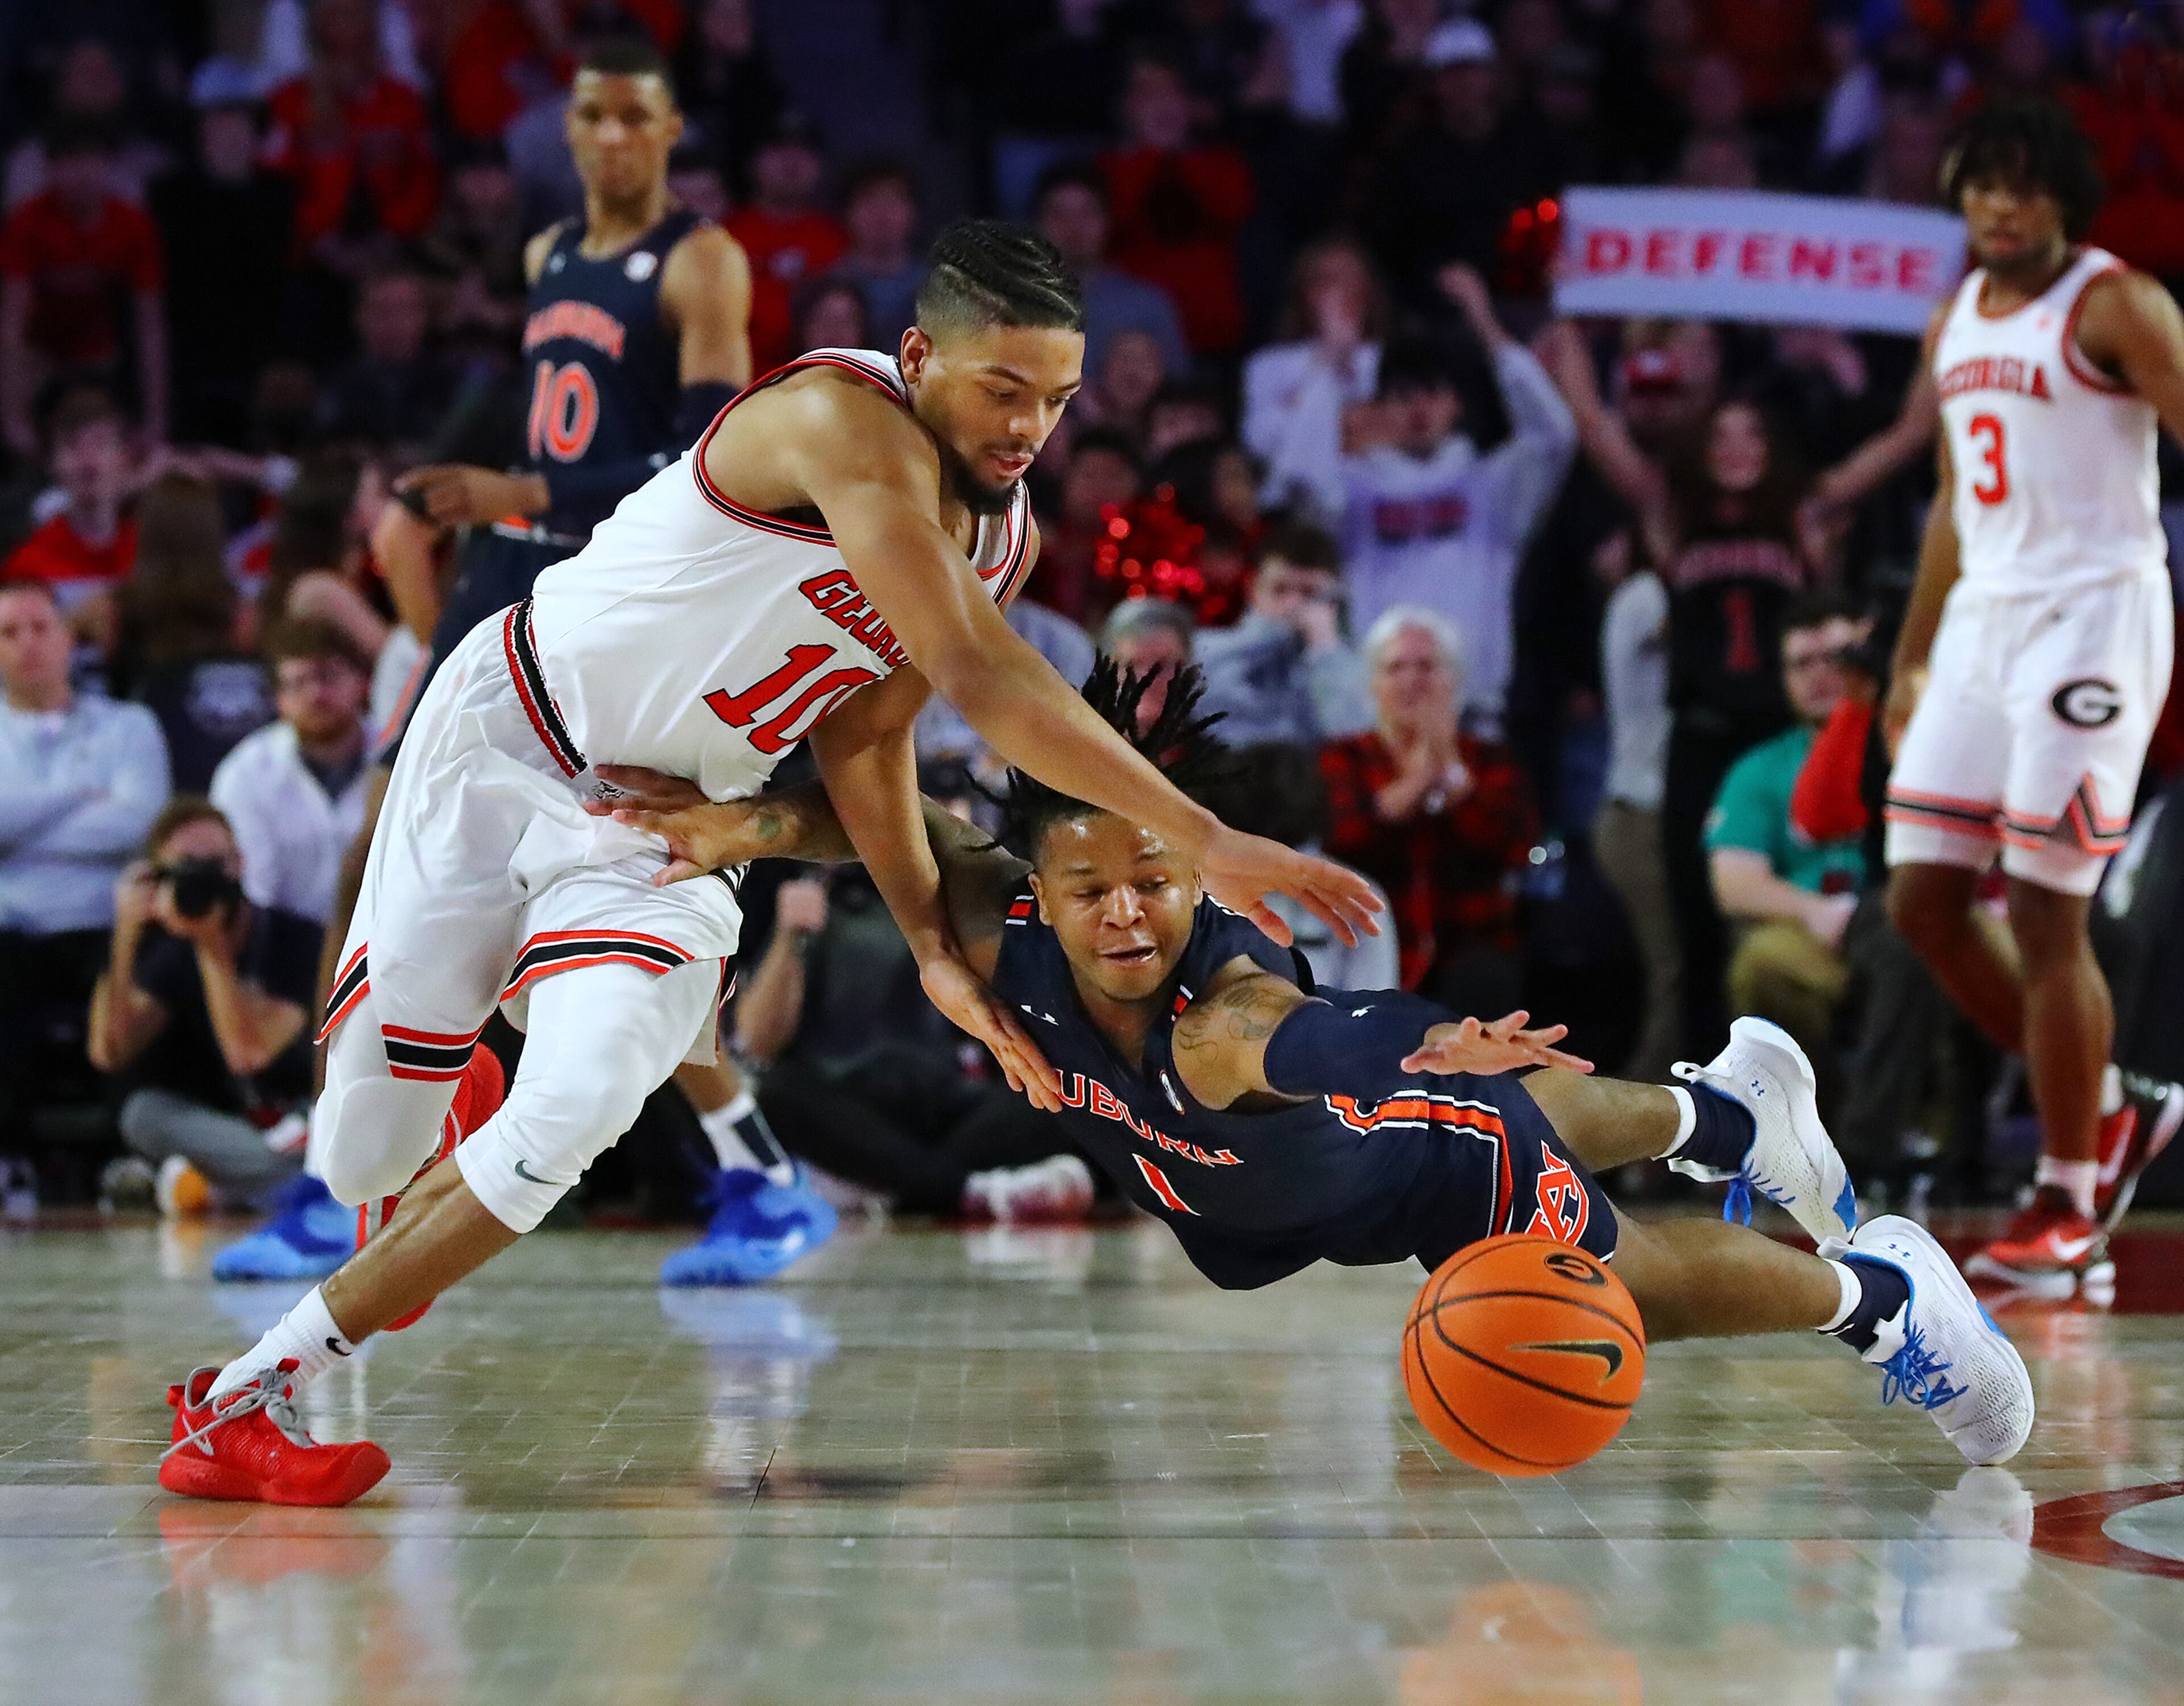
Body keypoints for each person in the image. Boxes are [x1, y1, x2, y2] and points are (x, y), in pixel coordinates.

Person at [152, 220, 1378, 1507]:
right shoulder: (836, 419)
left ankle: (238, 1397)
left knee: (572, 1113)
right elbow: (982, 676)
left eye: (1057, 401)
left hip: (669, 826)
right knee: (358, 1164)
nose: (1030, 428)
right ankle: (443, 1094)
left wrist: (927, 947)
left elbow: (870, 738)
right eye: (1001, 389)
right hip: (507, 728)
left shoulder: (998, 540)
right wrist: (1207, 834)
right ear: (919, 357)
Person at [618, 660, 2032, 1473]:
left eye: (1156, 878)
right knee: (1497, 1099)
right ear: (1037, 888)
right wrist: (735, 830)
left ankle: (1885, 1297)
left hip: (1408, 1160)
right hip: (1311, 1186)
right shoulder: (1007, 914)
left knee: (1613, 1282)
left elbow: (1300, 1033)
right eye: (1092, 884)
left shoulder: (1212, 1009)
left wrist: (1411, 1034)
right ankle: (1725, 1110)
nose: (1128, 911)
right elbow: (886, 823)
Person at [213, 35, 767, 1286]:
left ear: (671, 129)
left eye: (635, 116)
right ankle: (332, 1168)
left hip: (619, 618)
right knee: (379, 849)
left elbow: (709, 468)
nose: (611, 137)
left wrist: (518, 486)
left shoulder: (703, 260)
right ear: (565, 129)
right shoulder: (545, 254)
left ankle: (754, 1159)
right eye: (591, 115)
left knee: (626, 885)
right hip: (513, 595)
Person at [1882, 101, 2184, 1288]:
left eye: (2022, 187)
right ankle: (2112, 1106)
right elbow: (1957, 499)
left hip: (2096, 617)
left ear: (2066, 200)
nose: (1999, 208)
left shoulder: (2118, 303)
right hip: (1984, 622)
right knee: (1922, 901)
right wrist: (1913, 652)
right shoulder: (1951, 316)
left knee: (2051, 911)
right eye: (1980, 188)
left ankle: (2066, 1196)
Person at [1337, 269, 1577, 731]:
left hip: (1474, 714)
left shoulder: (1494, 488)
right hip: (1376, 718)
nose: (1419, 407)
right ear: (1379, 406)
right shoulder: (1351, 489)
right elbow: (1294, 480)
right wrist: (1335, 361)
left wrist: (1488, 328)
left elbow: (1555, 435)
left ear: (1457, 403)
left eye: (1433, 391)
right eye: (1402, 394)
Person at [0, 580, 170, 1157]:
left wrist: (21, 833)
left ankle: (134, 1157)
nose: (27, 644)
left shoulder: (129, 725)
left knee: (148, 975)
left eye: (41, 627)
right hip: (14, 926)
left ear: (68, 638)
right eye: (9, 632)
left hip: (107, 920)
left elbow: (140, 822)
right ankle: (12, 1162)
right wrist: (81, 793)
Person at [87, 799, 321, 1216]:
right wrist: (124, 935)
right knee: (143, 1113)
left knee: (320, 1135)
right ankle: (270, 1188)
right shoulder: (170, 949)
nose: (206, 878)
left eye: (218, 862)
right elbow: (110, 1052)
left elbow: (249, 1054)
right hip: (233, 1133)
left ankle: (224, 1190)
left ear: (241, 863)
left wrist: (210, 944)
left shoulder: (294, 940)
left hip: (303, 1114)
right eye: (188, 867)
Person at [1321, 607, 1537, 1010]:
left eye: (1427, 667)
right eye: (1396, 668)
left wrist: (1451, 770)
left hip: (1471, 955)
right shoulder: (1344, 757)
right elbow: (1345, 839)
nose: (1412, 682)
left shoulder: (1489, 759)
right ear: (1373, 683)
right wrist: (1421, 780)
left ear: (1456, 679)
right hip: (1369, 949)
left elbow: (1512, 847)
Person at [1705, 597, 1875, 1089]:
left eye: (1835, 658)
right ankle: (1810, 1124)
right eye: (1801, 664)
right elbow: (1733, 883)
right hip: (1816, 934)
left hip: (1903, 927)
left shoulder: (1905, 743)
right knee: (1764, 963)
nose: (1818, 675)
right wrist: (1816, 913)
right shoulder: (1760, 768)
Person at [0, 120, 167, 458]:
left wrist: (156, 420)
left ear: (108, 167)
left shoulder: (132, 225)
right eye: (69, 164)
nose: (81, 175)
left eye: (90, 162)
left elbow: (150, 328)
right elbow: (11, 327)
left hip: (102, 362)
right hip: (40, 362)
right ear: (50, 170)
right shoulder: (26, 224)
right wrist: (13, 420)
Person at [210, 621, 374, 927]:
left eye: (328, 677)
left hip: (386, 937)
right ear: (279, 700)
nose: (316, 694)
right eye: (298, 683)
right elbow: (254, 892)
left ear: (362, 682)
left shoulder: (403, 753)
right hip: (280, 943)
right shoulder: (245, 774)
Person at [1241, 238, 1387, 521]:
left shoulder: (1389, 358)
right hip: (1297, 508)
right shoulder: (1268, 365)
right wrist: (1326, 359)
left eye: (1350, 280)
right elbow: (1259, 440)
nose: (1340, 294)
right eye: (1328, 282)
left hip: (1376, 503)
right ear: (1306, 293)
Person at [1194, 523, 1374, 750]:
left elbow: (1354, 738)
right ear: (1254, 591)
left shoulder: (1362, 666)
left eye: (1309, 593)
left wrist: (1326, 651)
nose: (1292, 605)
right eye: (1279, 590)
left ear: (1335, 600)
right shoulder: (1206, 650)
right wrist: (1269, 638)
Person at [1, 388, 137, 660]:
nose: (88, 461)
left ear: (125, 457)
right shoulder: (26, 564)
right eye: (73, 446)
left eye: (101, 443)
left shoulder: (152, 551)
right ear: (54, 464)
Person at [1031, 160, 1189, 382]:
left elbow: (1178, 393)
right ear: (1039, 224)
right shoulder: (1012, 305)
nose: (1074, 226)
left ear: (1107, 221)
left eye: (1087, 212)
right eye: (1059, 213)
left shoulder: (1148, 304)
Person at [826, 159, 925, 354]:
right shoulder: (829, 287)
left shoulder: (936, 287)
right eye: (869, 200)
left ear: (914, 211)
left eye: (894, 199)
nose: (882, 213)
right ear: (847, 212)